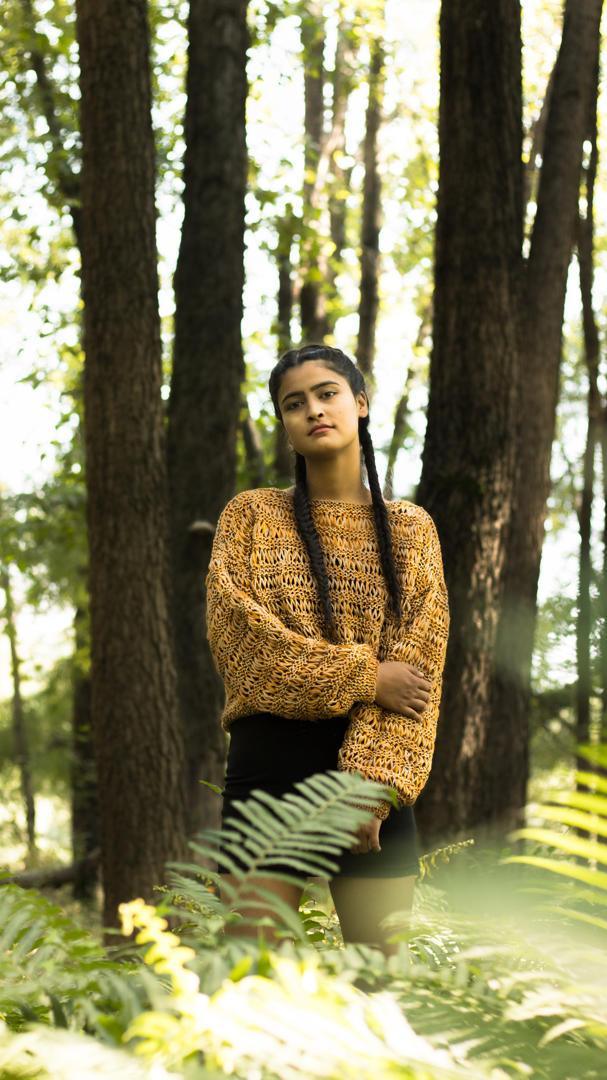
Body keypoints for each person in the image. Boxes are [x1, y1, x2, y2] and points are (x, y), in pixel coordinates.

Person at [205, 343, 450, 955]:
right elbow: (244, 646)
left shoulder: (412, 529)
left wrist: (367, 788)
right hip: (270, 764)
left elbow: (418, 668)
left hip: (372, 769)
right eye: (295, 403)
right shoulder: (252, 517)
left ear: (360, 404)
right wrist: (366, 674)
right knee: (253, 984)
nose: (313, 410)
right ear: (285, 426)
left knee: (382, 987)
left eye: (327, 393)